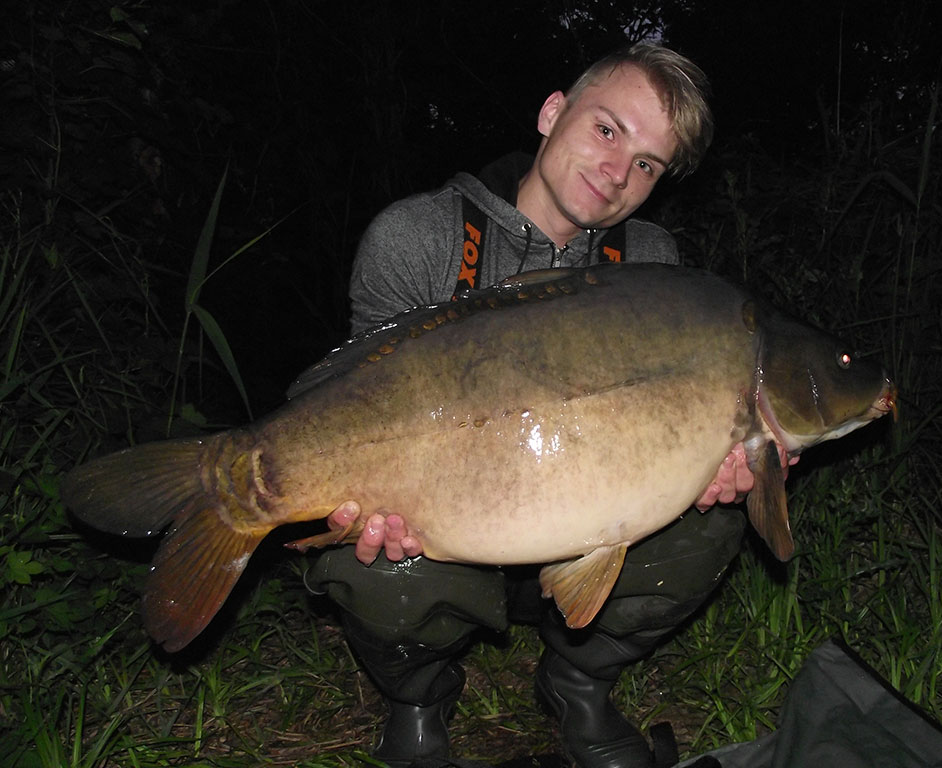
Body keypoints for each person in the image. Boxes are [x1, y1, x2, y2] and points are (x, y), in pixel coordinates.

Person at [305, 42, 791, 768]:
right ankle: (418, 699)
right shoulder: (417, 238)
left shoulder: (653, 264)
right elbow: (364, 405)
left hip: (586, 520)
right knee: (377, 564)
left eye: (648, 164)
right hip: (449, 523)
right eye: (607, 130)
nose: (618, 172)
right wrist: (369, 498)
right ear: (552, 112)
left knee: (712, 517)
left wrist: (706, 465)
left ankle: (578, 685)